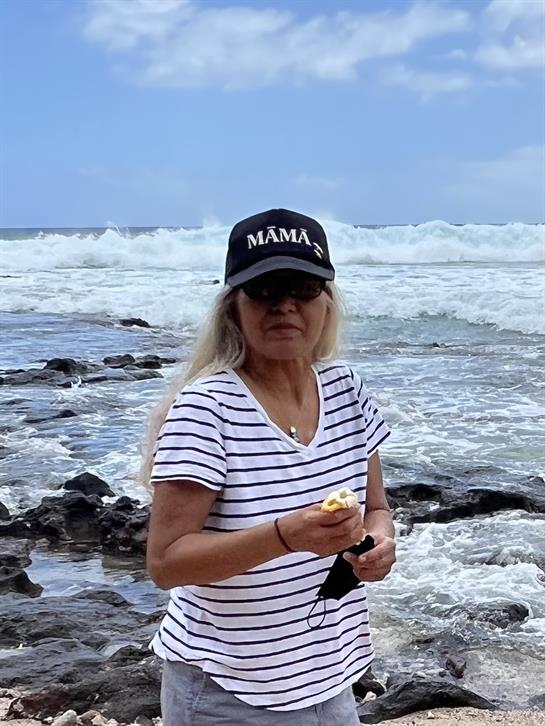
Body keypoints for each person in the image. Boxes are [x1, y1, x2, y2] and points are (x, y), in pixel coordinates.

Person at [143, 208, 396, 726]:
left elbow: (377, 508)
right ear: (233, 306)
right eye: (263, 289)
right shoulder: (206, 409)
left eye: (303, 287)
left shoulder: (347, 389)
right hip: (230, 692)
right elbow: (166, 563)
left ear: (327, 301)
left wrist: (377, 546)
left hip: (332, 678)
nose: (285, 305)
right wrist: (285, 536)